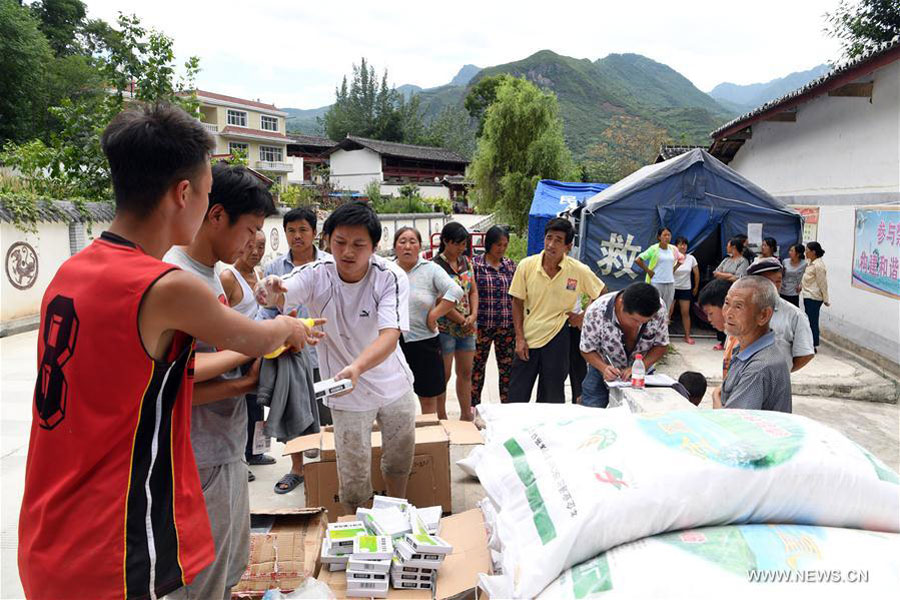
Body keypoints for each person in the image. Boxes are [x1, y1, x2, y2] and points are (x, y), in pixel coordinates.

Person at [18, 104, 316, 600]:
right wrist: (288, 326)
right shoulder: (165, 286)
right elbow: (258, 338)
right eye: (206, 191)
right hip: (114, 540)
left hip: (52, 530)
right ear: (183, 194)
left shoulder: (71, 272)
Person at [163, 162, 291, 600]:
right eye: (250, 229)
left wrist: (246, 374)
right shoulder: (177, 277)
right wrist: (260, 342)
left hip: (225, 445)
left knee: (228, 566)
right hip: (195, 457)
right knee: (200, 581)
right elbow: (175, 377)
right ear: (216, 215)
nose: (252, 242)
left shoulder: (205, 273)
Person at [256, 201, 417, 512]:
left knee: (399, 456)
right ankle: (355, 523)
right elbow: (280, 294)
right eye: (340, 242)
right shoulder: (316, 274)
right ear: (327, 240)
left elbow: (390, 335)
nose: (347, 252)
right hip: (345, 390)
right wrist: (269, 290)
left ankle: (397, 508)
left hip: (392, 383)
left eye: (358, 244)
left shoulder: (390, 276)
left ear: (375, 247)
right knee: (353, 472)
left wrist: (357, 367)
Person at [257, 207, 332, 495]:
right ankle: (297, 469)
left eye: (303, 230)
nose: (297, 236)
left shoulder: (329, 264)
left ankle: (329, 465)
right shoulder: (274, 268)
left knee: (329, 413)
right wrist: (269, 337)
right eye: (291, 230)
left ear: (315, 233)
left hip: (324, 352)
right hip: (289, 355)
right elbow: (266, 310)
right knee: (293, 414)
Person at [508, 218, 605, 404]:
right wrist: (519, 338)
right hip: (529, 337)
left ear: (568, 246)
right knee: (517, 395)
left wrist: (583, 316)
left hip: (558, 338)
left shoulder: (577, 270)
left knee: (552, 397)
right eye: (549, 238)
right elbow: (517, 302)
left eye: (558, 240)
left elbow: (601, 292)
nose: (551, 244)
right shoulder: (526, 266)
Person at [393, 226, 463, 418]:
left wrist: (434, 315)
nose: (407, 246)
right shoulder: (387, 270)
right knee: (395, 399)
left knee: (428, 398)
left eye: (412, 242)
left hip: (424, 342)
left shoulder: (431, 269)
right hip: (391, 343)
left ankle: (428, 432)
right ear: (395, 246)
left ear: (419, 246)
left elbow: (456, 291)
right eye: (402, 242)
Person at [221, 230, 273, 479]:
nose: (255, 252)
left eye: (261, 247)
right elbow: (219, 318)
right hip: (233, 354)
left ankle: (255, 452)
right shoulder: (228, 277)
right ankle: (240, 460)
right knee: (237, 408)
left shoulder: (260, 274)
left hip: (256, 352)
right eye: (250, 245)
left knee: (257, 405)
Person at [578, 282, 670, 408]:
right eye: (634, 320)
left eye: (644, 322)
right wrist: (604, 368)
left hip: (641, 372)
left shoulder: (658, 308)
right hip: (602, 368)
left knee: (643, 410)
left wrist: (641, 366)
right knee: (592, 409)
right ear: (621, 304)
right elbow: (586, 349)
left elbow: (661, 345)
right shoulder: (596, 312)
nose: (638, 325)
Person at [719, 276, 792, 412]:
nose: (728, 313)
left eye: (738, 306)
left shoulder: (759, 368)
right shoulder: (744, 350)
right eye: (727, 303)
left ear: (763, 315)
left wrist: (715, 399)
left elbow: (733, 420)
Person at [433, 222, 478, 421]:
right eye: (458, 243)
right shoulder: (435, 266)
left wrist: (473, 315)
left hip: (467, 326)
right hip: (445, 327)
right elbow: (439, 300)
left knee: (466, 372)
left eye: (464, 244)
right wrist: (461, 320)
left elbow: (473, 291)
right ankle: (441, 416)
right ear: (445, 241)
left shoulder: (466, 262)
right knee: (443, 375)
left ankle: (466, 414)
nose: (462, 248)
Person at [472, 225, 517, 406]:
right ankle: (473, 408)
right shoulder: (475, 265)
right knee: (476, 369)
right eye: (498, 244)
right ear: (488, 244)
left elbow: (517, 295)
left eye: (505, 245)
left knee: (507, 371)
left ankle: (506, 408)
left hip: (507, 326)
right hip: (481, 326)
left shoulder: (511, 266)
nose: (502, 249)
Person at [746, 258, 815, 372]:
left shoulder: (795, 315)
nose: (774, 286)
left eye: (778, 281)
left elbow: (805, 354)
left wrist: (781, 372)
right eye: (769, 281)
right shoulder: (741, 310)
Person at [712, 237, 750, 349]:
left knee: (731, 315)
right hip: (721, 290)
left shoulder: (743, 261)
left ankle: (730, 341)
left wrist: (723, 275)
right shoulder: (726, 260)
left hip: (734, 291)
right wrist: (729, 275)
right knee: (721, 314)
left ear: (733, 247)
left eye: (728, 246)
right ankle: (721, 340)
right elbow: (716, 272)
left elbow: (738, 277)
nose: (726, 247)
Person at [635, 227, 681, 316]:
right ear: (659, 237)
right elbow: (638, 260)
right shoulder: (654, 249)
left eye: (669, 235)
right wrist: (648, 271)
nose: (667, 237)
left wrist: (675, 268)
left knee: (666, 309)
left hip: (670, 282)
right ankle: (652, 324)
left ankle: (664, 324)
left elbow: (681, 258)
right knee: (655, 307)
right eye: (664, 235)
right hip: (657, 282)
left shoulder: (673, 249)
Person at [698, 279, 737, 381]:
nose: (709, 319)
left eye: (710, 313)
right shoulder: (730, 336)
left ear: (726, 307)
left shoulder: (742, 341)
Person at [801, 241, 829, 349]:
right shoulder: (810, 263)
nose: (805, 253)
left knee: (812, 321)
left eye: (807, 251)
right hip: (808, 296)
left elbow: (823, 283)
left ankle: (813, 344)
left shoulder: (819, 266)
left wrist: (826, 299)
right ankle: (810, 342)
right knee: (808, 321)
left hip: (814, 297)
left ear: (813, 252)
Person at [672, 236, 700, 344]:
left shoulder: (691, 258)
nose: (683, 246)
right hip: (672, 287)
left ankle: (687, 336)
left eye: (685, 244)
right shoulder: (671, 257)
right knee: (668, 312)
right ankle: (664, 336)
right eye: (681, 244)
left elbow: (696, 274)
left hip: (685, 288)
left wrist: (696, 287)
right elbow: (668, 271)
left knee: (685, 312)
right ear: (676, 246)